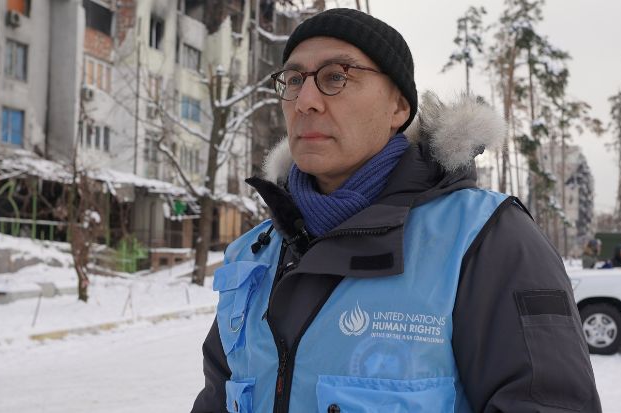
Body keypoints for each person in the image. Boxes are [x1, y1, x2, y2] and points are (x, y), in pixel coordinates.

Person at [190, 8, 600, 413]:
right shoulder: (253, 252)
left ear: (399, 108)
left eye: (336, 76)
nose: (305, 101)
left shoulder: (485, 239)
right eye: (294, 80)